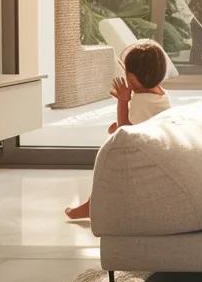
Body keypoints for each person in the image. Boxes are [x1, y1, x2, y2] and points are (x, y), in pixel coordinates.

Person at [64, 39, 170, 221]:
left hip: (141, 153)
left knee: (104, 164)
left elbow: (124, 132)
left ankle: (91, 207)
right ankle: (92, 206)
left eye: (129, 75)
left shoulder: (141, 100)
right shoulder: (160, 93)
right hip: (155, 148)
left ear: (138, 77)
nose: (127, 79)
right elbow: (141, 121)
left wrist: (122, 101)